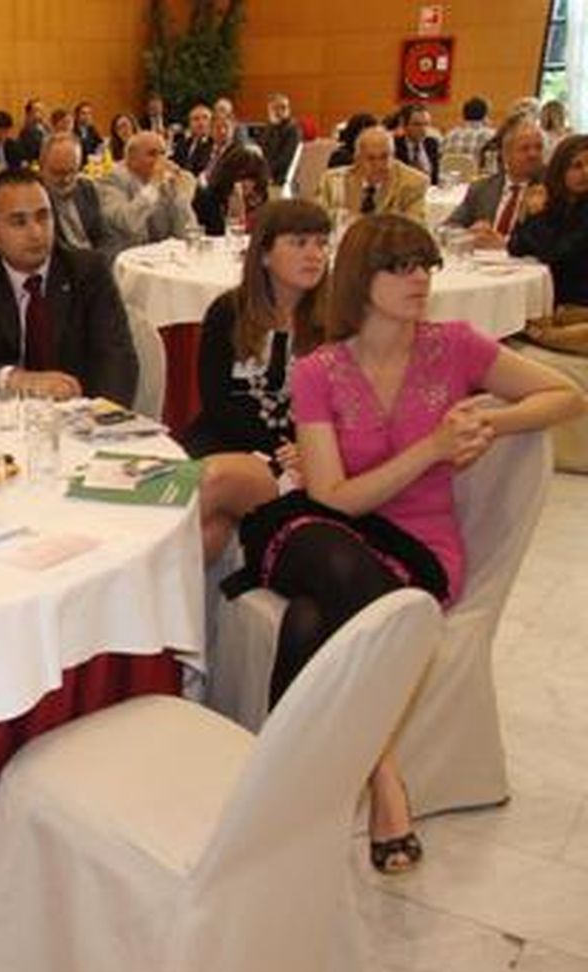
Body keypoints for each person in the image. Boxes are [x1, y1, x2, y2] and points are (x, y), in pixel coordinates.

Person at [227, 214, 582, 873]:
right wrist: (433, 448)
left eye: (425, 265)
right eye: (400, 266)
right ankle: (384, 771)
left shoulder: (456, 347)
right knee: (335, 559)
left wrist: (488, 420)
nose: (420, 278)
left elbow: (566, 395)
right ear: (363, 277)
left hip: (419, 547)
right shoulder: (320, 369)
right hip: (328, 527)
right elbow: (333, 495)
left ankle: (281, 803)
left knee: (310, 619)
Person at [179, 200, 331, 562]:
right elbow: (216, 401)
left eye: (322, 243)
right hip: (225, 439)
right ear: (264, 254)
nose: (314, 255)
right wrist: (275, 448)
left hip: (300, 456)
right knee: (212, 530)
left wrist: (306, 448)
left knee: (213, 498)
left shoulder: (335, 321)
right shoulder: (228, 312)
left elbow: (340, 403)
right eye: (298, 243)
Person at [0, 168, 137, 404]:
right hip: (8, 423)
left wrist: (101, 420)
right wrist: (14, 379)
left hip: (79, 418)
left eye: (43, 216)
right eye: (19, 222)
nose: (36, 233)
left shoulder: (88, 272)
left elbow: (118, 359)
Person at [510, 133, 588, 310]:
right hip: (549, 296)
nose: (586, 172)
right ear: (560, 170)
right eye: (577, 166)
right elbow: (515, 247)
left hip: (576, 307)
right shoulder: (557, 200)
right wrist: (526, 215)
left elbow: (553, 252)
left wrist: (536, 217)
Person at [447, 116, 546, 249]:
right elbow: (447, 227)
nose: (533, 154)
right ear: (506, 154)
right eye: (525, 149)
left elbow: (556, 243)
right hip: (481, 264)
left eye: (538, 148)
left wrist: (505, 244)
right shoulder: (482, 188)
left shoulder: (552, 189)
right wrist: (469, 234)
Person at [98, 132, 196, 249]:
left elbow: (187, 233)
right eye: (152, 154)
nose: (161, 161)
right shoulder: (112, 180)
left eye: (163, 154)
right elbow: (127, 222)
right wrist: (153, 186)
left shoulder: (166, 183)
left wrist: (181, 196)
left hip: (162, 257)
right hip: (126, 256)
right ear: (131, 159)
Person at [317, 126, 428, 223]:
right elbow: (319, 222)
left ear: (393, 156)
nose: (379, 165)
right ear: (357, 160)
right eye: (371, 158)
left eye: (384, 157)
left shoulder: (414, 182)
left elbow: (414, 228)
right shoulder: (331, 181)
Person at [39, 133, 114, 256]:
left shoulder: (86, 188)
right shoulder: (34, 199)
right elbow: (53, 252)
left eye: (72, 171)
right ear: (42, 168)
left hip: (96, 262)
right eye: (58, 173)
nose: (66, 179)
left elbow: (105, 236)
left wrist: (100, 261)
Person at [192, 145, 271, 236]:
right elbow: (214, 235)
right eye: (241, 177)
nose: (246, 183)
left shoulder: (259, 198)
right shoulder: (208, 199)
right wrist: (235, 212)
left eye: (251, 179)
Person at [258, 93, 301, 186]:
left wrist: (266, 171)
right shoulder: (269, 127)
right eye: (276, 108)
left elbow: (286, 159)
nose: (280, 111)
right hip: (267, 174)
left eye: (284, 107)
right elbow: (262, 151)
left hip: (283, 178)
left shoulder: (293, 129)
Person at [394, 104, 441, 186]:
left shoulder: (432, 144)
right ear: (404, 125)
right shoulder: (395, 146)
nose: (423, 129)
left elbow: (436, 178)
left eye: (426, 124)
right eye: (417, 124)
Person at [442, 96, 494, 163]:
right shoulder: (491, 136)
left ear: (464, 115)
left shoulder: (449, 136)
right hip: (477, 173)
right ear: (485, 116)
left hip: (448, 173)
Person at [173, 104, 214, 176]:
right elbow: (175, 163)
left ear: (211, 122)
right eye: (196, 119)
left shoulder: (215, 144)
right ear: (190, 124)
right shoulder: (182, 143)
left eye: (205, 118)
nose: (201, 123)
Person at [18, 98, 52, 163]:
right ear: (29, 113)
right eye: (37, 110)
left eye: (42, 110)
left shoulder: (47, 127)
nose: (41, 113)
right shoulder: (26, 132)